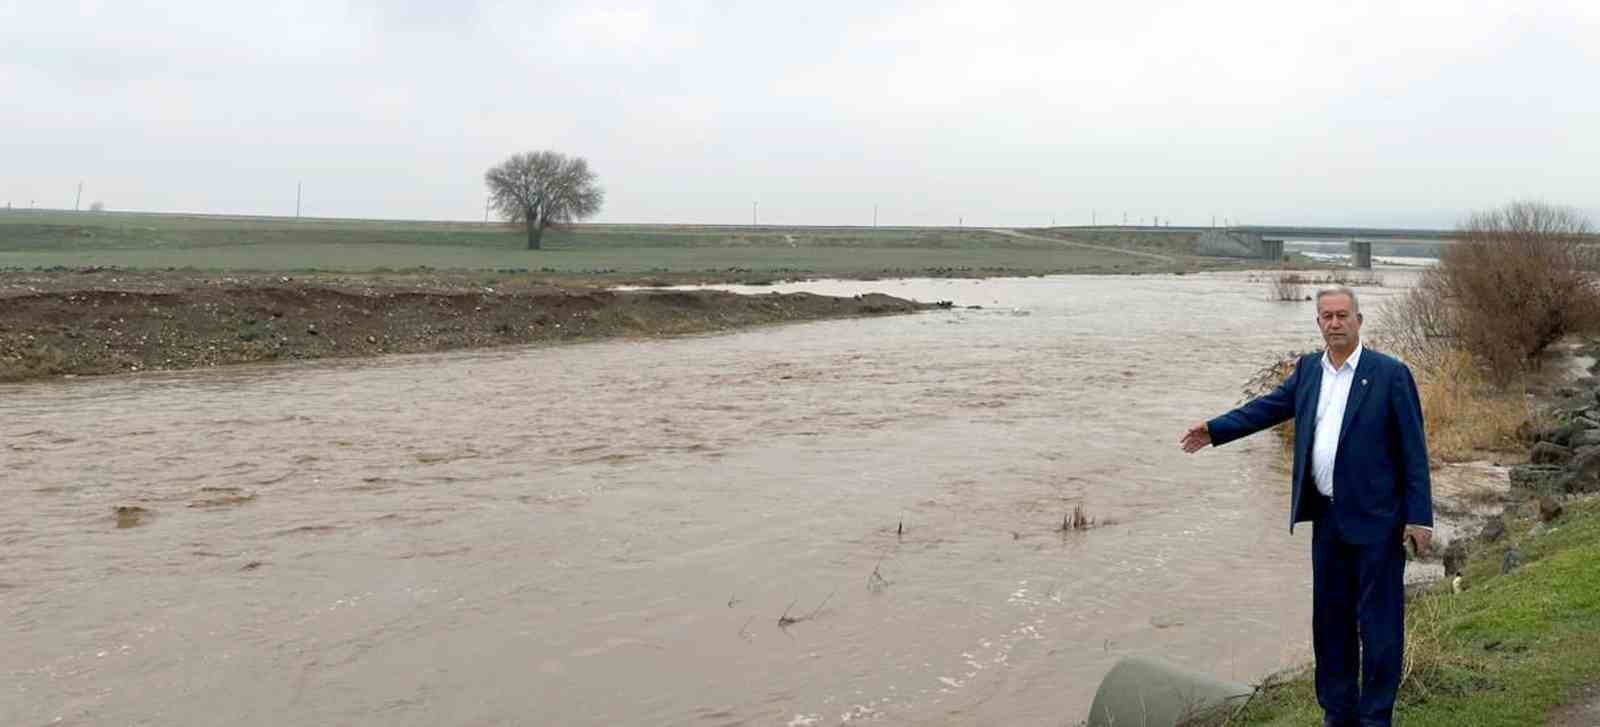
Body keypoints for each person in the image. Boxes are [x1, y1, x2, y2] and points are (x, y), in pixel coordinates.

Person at [1179, 285, 1432, 727]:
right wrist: (1215, 429)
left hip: (1378, 522)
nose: (1334, 323)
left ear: (1358, 320)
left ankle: (1375, 717)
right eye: (1326, 317)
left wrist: (1418, 517)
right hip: (1328, 519)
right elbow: (1269, 408)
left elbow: (1413, 450)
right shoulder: (1309, 370)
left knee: (1379, 626)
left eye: (1342, 315)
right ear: (1318, 323)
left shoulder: (1390, 374)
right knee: (1330, 624)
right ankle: (1337, 713)